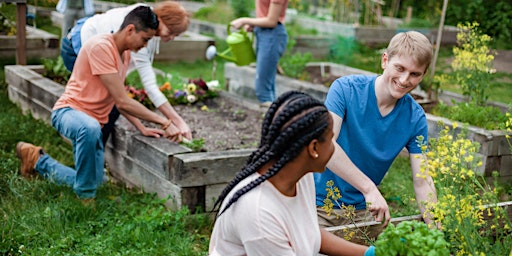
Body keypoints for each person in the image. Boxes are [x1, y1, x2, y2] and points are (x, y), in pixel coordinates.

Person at [15, 6, 180, 203]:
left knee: (97, 181)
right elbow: (123, 102)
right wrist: (165, 122)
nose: (145, 46)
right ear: (130, 30)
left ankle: (37, 160)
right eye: (145, 39)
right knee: (90, 131)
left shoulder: (124, 55)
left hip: (91, 125)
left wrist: (141, 127)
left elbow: (120, 98)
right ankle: (85, 199)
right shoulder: (101, 47)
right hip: (69, 113)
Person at [209, 91, 376, 256]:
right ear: (313, 148)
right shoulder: (259, 213)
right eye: (332, 140)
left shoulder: (300, 176)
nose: (334, 148)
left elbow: (310, 234)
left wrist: (371, 253)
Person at [314, 31, 439, 228]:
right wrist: (369, 188)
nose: (405, 80)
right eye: (400, 68)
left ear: (423, 75)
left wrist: (437, 233)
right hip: (318, 204)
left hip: (365, 212)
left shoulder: (415, 118)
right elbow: (325, 146)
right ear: (385, 60)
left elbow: (423, 182)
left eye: (414, 74)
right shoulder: (345, 90)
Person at [60, 1, 192, 145]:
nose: (172, 37)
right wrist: (176, 122)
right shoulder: (138, 30)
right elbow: (148, 88)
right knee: (99, 104)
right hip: (76, 44)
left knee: (112, 102)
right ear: (161, 20)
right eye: (171, 31)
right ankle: (89, 152)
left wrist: (142, 127)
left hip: (91, 36)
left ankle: (95, 152)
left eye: (176, 35)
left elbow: (123, 97)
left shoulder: (146, 26)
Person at [230, 0, 288, 107]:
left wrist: (244, 20)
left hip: (272, 35)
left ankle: (270, 120)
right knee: (267, 85)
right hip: (264, 33)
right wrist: (255, 25)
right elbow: (266, 13)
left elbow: (272, 21)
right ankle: (274, 119)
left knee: (263, 90)